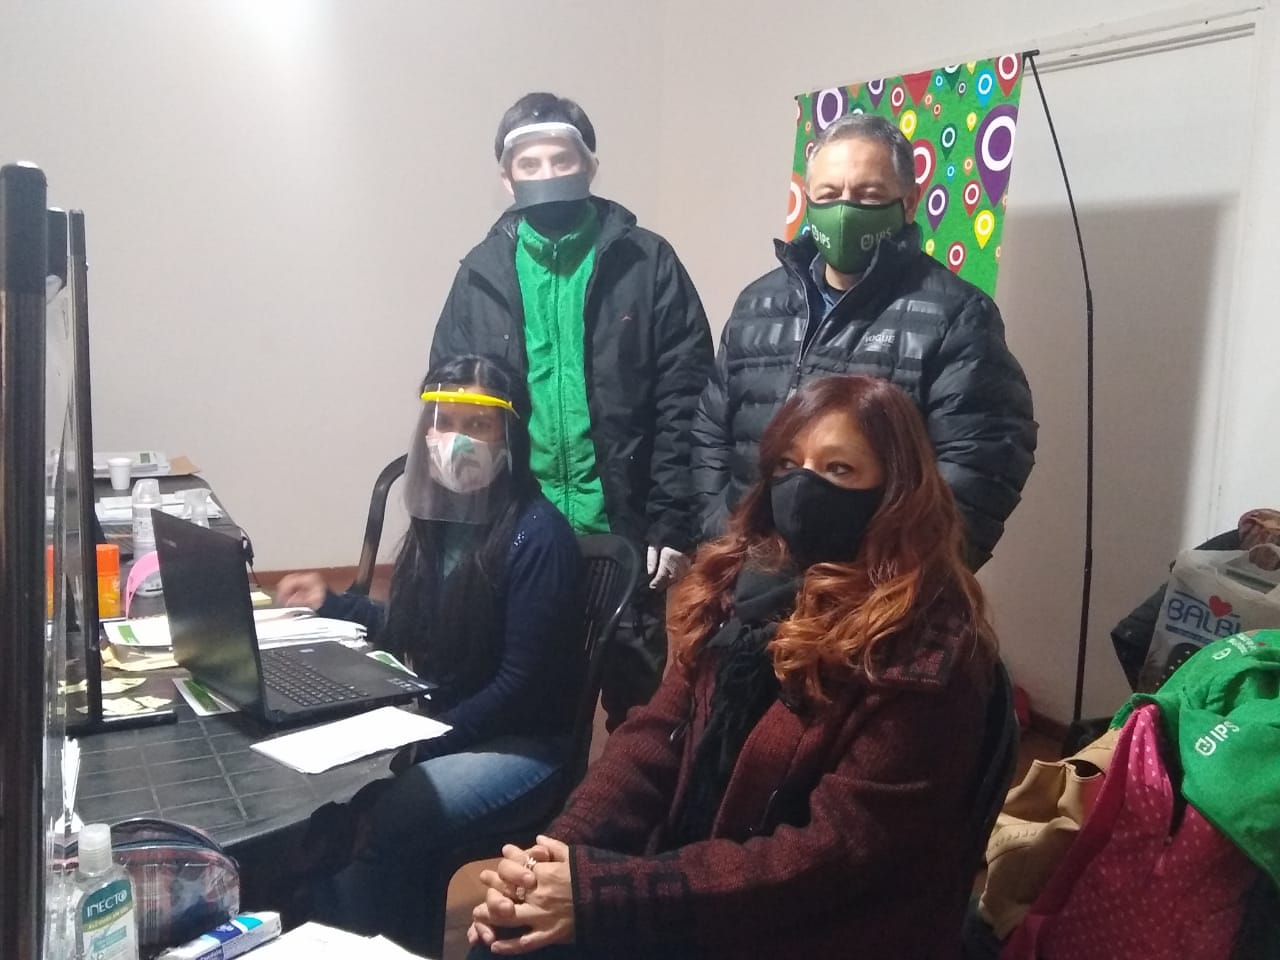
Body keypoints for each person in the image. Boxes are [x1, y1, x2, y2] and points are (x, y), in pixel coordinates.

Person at [466, 374, 1000, 958]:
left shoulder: (925, 650)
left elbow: (826, 858)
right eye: (789, 465)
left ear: (896, 491)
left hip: (816, 931)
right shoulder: (744, 592)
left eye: (839, 469)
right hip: (702, 893)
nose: (804, 485)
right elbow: (653, 737)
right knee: (506, 938)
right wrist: (551, 858)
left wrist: (601, 894)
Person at [276, 355, 584, 951]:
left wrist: (421, 745)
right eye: (446, 421)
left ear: (510, 437)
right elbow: (412, 627)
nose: (457, 440)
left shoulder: (537, 536)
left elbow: (519, 686)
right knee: (327, 803)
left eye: (479, 425)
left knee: (378, 823)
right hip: (446, 723)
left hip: (520, 744)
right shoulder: (439, 525)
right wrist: (333, 602)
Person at [429, 92, 714, 730]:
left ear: (590, 166)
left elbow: (686, 398)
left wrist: (672, 520)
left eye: (562, 159)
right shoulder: (479, 276)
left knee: (638, 708)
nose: (547, 174)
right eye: (529, 164)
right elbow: (452, 406)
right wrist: (463, 518)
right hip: (521, 533)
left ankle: (626, 795)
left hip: (624, 527)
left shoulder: (647, 263)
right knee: (529, 693)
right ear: (506, 177)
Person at [691, 112, 1036, 568]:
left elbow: (981, 465)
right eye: (829, 195)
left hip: (866, 588)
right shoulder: (758, 303)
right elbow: (711, 429)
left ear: (909, 202)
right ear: (808, 200)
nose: (844, 210)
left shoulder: (957, 315)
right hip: (750, 572)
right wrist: (723, 535)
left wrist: (900, 576)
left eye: (868, 195)